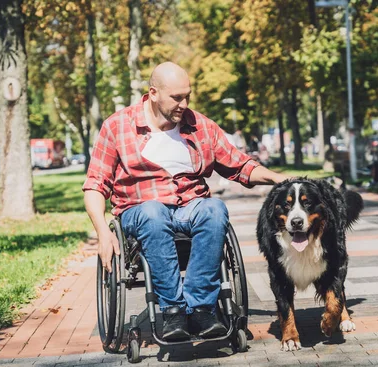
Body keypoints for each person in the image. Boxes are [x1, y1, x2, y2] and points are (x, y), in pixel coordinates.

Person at [83, 62, 289, 342]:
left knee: (214, 208)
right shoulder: (118, 126)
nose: (184, 104)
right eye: (177, 98)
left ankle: (202, 308)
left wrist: (280, 179)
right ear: (153, 93)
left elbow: (240, 166)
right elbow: (96, 184)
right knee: (154, 213)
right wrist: (102, 233)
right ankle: (173, 311)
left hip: (190, 207)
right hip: (140, 210)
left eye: (188, 96)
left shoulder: (199, 125)